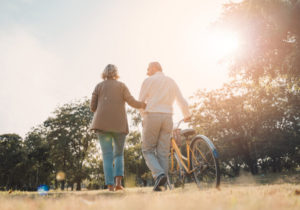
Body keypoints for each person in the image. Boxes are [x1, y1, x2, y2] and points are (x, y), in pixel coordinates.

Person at [90, 64, 146, 191]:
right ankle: (118, 184)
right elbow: (132, 101)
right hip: (119, 125)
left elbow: (92, 107)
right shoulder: (121, 86)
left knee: (107, 156)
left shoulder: (98, 86)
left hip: (102, 125)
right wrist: (143, 105)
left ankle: (110, 186)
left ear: (104, 73)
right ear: (116, 73)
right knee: (119, 155)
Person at [139, 62, 191, 191]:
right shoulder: (171, 81)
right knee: (163, 152)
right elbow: (181, 99)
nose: (147, 72)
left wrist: (143, 116)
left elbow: (141, 102)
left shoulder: (148, 81)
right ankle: (162, 185)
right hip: (168, 117)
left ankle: (159, 175)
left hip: (152, 115)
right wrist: (186, 114)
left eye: (148, 69)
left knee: (147, 150)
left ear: (155, 67)